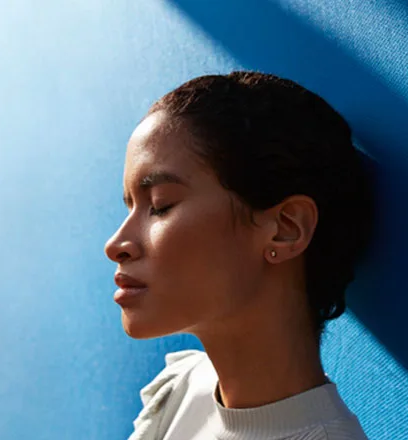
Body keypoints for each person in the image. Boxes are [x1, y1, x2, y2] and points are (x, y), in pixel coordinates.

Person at [104, 71, 376, 439]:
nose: (116, 244)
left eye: (160, 205)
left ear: (286, 228)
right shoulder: (183, 389)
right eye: (130, 206)